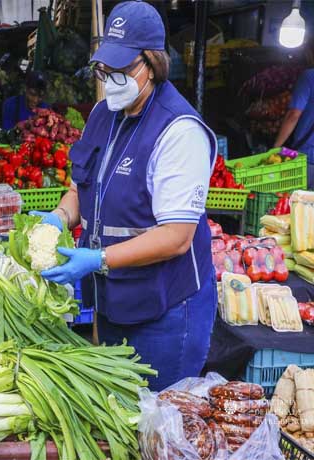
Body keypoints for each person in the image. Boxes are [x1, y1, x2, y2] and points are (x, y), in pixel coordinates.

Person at [32, 1, 217, 391]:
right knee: (119, 417)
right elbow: (80, 186)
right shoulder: (103, 114)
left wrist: (98, 259)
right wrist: (60, 218)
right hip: (113, 300)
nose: (111, 76)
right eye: (105, 68)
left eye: (122, 69)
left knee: (157, 427)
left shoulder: (179, 131)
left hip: (166, 312)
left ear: (152, 65)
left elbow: (177, 236)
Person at [273, 42, 314, 189]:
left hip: (308, 156)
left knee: (300, 206)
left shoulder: (309, 77)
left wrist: (276, 147)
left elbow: (293, 115)